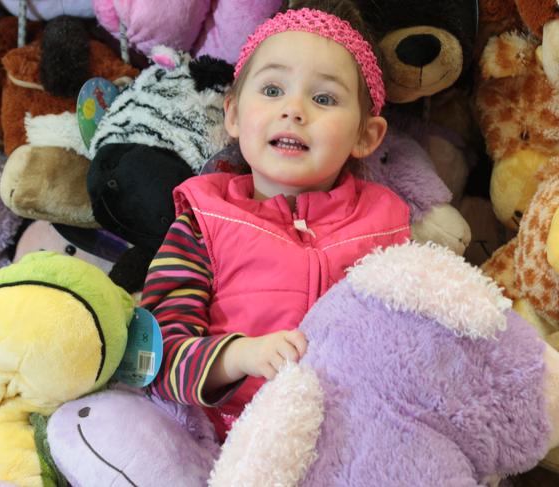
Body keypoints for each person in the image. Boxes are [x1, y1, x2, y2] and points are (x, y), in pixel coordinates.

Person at [141, 6, 410, 442]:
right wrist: (239, 356)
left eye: (323, 98)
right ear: (232, 114)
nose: (293, 110)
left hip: (356, 437)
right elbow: (156, 356)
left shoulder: (386, 224)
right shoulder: (203, 220)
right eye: (271, 89)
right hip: (229, 441)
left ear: (366, 135)